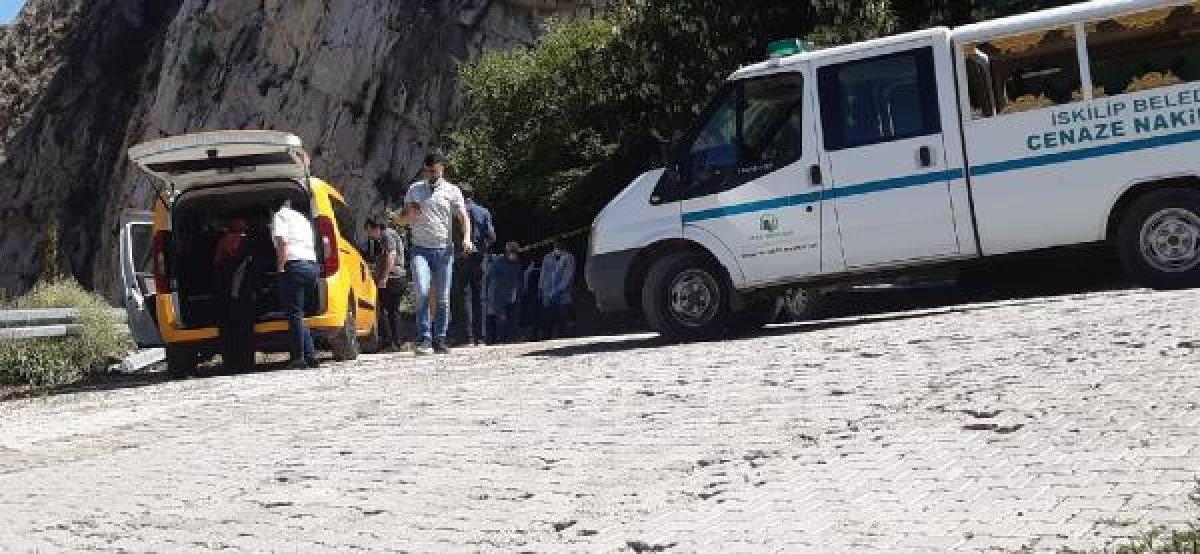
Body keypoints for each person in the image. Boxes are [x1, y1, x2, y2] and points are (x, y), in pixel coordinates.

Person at [404, 153, 474, 355]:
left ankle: (440, 338)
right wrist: (410, 214)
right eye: (427, 171)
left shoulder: (452, 191)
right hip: (419, 249)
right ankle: (424, 338)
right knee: (423, 292)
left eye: (434, 171)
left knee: (443, 298)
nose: (431, 174)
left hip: (444, 250)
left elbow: (463, 217)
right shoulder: (414, 189)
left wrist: (467, 238)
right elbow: (404, 219)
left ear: (442, 169)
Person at [272, 198, 321, 369]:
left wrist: (280, 267)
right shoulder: (302, 219)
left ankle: (298, 358)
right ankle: (310, 356)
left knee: (294, 314)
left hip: (294, 265)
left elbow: (282, 242)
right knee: (300, 314)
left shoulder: (279, 216)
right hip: (312, 267)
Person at [450, 183, 496, 346]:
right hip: (479, 257)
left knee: (464, 297)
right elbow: (491, 236)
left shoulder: (455, 214)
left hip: (461, 256)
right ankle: (481, 337)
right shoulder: (483, 211)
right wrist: (483, 247)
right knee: (480, 297)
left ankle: (467, 337)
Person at [212, 218, 258, 373]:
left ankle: (231, 362)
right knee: (246, 329)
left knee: (229, 329)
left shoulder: (223, 242)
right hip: (244, 293)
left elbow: (216, 262)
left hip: (228, 294)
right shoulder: (251, 245)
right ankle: (247, 362)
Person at [366, 218, 407, 352]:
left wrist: (384, 277)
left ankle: (392, 342)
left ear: (374, 227)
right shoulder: (388, 235)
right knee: (390, 311)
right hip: (395, 277)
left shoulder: (386, 235)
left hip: (393, 278)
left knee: (387, 310)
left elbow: (391, 254)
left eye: (368, 231)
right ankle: (394, 341)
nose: (369, 236)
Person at [487, 242, 525, 344]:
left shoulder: (518, 263)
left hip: (514, 296)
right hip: (500, 296)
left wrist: (520, 292)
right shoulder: (498, 262)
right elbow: (490, 277)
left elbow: (520, 279)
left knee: (513, 320)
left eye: (514, 252)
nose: (512, 254)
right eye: (510, 251)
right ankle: (500, 339)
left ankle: (512, 339)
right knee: (501, 319)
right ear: (506, 252)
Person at [538, 239, 576, 340]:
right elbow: (543, 274)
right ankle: (546, 338)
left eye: (559, 247)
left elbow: (567, 276)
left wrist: (558, 290)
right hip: (547, 293)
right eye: (556, 247)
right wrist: (541, 288)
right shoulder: (547, 257)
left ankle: (563, 337)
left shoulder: (569, 258)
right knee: (547, 318)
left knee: (563, 316)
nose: (557, 249)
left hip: (563, 294)